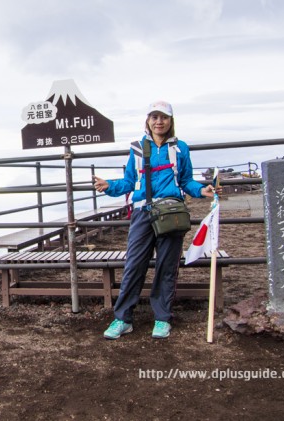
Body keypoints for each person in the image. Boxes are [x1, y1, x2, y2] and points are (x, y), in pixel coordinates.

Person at [93, 101, 217, 340]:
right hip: (143, 211)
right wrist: (110, 186)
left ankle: (162, 318)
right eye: (155, 117)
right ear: (148, 120)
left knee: (167, 266)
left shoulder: (180, 148)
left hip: (171, 212)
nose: (159, 121)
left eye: (164, 117)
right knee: (134, 265)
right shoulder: (138, 148)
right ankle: (122, 319)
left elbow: (186, 180)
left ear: (171, 121)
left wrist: (201, 191)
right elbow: (130, 181)